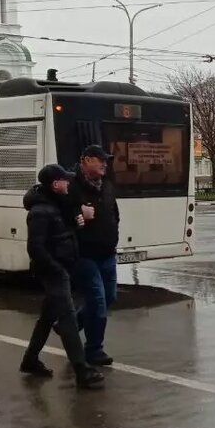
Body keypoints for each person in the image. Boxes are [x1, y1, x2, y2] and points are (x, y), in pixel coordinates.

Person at [20, 164, 105, 389]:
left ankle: (30, 360)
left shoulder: (57, 205)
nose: (68, 183)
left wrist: (76, 222)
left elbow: (62, 236)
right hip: (53, 271)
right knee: (67, 317)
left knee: (48, 316)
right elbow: (35, 248)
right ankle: (81, 370)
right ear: (55, 184)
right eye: (65, 181)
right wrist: (56, 269)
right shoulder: (40, 212)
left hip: (63, 268)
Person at [67, 145, 121, 367]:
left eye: (106, 161)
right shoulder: (71, 186)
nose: (105, 164)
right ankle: (94, 350)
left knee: (109, 297)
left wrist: (113, 232)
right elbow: (61, 216)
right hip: (84, 254)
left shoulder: (106, 185)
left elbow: (113, 213)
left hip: (107, 253)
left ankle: (69, 325)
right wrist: (79, 214)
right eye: (101, 160)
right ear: (86, 160)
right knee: (97, 301)